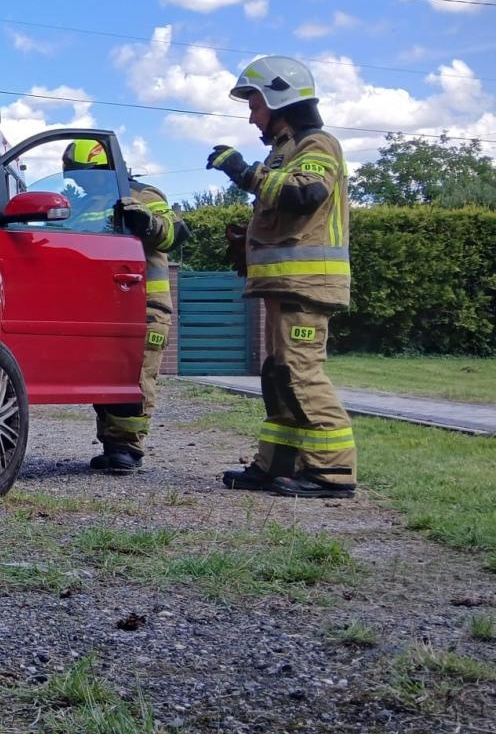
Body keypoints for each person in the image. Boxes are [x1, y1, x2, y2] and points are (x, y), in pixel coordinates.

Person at [208, 56, 355, 499]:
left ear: (279, 100)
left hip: (306, 287)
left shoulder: (317, 144)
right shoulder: (286, 151)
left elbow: (305, 193)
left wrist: (243, 172)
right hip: (286, 286)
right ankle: (276, 465)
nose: (252, 117)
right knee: (279, 376)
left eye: (255, 105)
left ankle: (332, 472)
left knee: (300, 373)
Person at [90, 165, 189, 471]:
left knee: (138, 376)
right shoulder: (92, 202)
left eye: (85, 175)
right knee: (107, 377)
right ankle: (113, 444)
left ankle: (129, 447)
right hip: (109, 307)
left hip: (147, 306)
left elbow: (176, 232)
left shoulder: (143, 195)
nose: (81, 184)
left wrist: (148, 223)